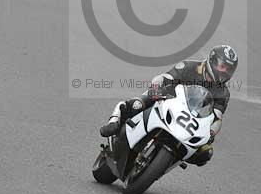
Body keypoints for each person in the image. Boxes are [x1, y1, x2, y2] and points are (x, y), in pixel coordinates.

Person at [99, 45, 238, 166]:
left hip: (191, 119)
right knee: (135, 105)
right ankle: (114, 122)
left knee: (205, 153)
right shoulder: (189, 66)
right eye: (222, 66)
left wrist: (212, 132)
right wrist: (156, 88)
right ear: (212, 61)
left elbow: (216, 117)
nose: (224, 71)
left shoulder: (223, 93)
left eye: (228, 69)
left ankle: (169, 161)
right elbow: (165, 78)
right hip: (167, 98)